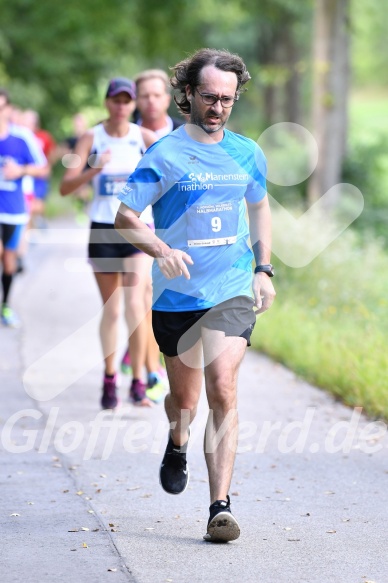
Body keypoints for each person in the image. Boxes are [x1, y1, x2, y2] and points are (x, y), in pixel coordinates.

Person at [115, 49, 276, 542]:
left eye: (227, 99)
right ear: (187, 94)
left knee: (222, 386)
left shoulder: (247, 151)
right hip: (177, 297)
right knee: (184, 401)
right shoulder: (162, 154)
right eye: (209, 97)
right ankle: (177, 438)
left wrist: (264, 268)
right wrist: (160, 247)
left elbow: (260, 205)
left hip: (230, 289)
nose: (218, 107)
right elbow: (124, 217)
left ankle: (218, 508)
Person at [59, 77, 157, 409]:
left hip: (136, 228)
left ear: (134, 106)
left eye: (127, 101)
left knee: (135, 305)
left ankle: (140, 381)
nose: (121, 106)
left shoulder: (144, 137)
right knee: (112, 310)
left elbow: (172, 174)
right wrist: (92, 170)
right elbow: (65, 186)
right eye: (115, 100)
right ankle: (110, 377)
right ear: (106, 103)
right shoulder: (91, 138)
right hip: (102, 229)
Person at [120, 69, 185, 400]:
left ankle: (140, 353)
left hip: (177, 231)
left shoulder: (182, 135)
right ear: (136, 100)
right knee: (141, 297)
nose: (150, 101)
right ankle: (149, 372)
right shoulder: (128, 136)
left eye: (157, 94)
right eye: (143, 95)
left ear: (167, 98)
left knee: (157, 302)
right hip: (142, 227)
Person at [0, 89, 49, 327]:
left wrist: (19, 171)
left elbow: (43, 168)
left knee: (9, 263)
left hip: (14, 209)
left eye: (1, 108)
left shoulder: (21, 138)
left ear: (8, 110)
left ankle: (6, 306)